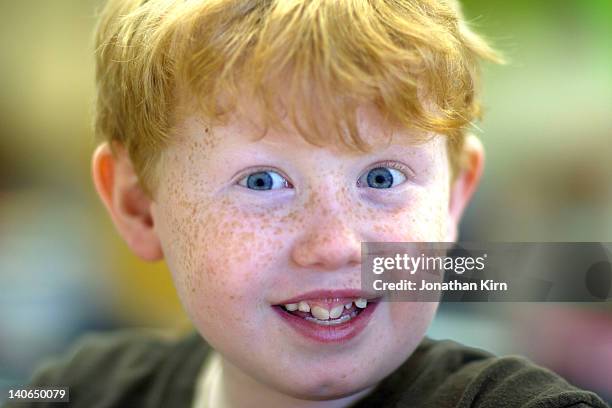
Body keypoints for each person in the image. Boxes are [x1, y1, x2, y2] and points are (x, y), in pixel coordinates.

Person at [7, 0, 608, 407]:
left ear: (454, 197)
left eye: (381, 177)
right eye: (264, 182)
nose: (335, 245)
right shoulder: (76, 390)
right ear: (139, 208)